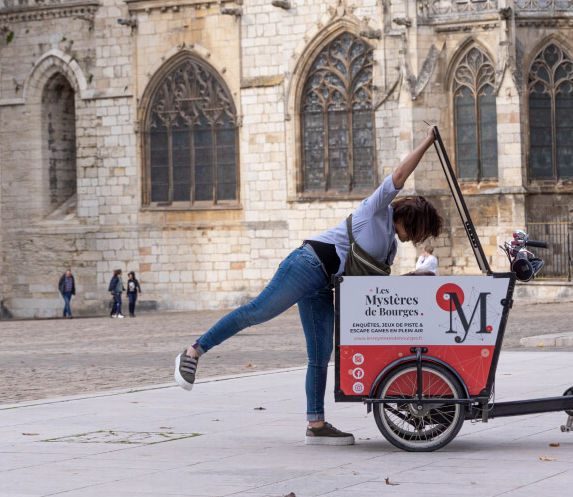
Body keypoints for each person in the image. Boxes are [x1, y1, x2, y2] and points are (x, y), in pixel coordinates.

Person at [174, 126, 443, 446]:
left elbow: (370, 289)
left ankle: (315, 425)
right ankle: (193, 352)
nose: (417, 240)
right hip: (307, 264)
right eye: (419, 231)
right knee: (257, 312)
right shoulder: (376, 209)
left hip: (323, 285)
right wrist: (427, 141)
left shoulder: (390, 247)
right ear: (411, 219)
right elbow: (399, 174)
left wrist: (414, 278)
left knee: (320, 354)